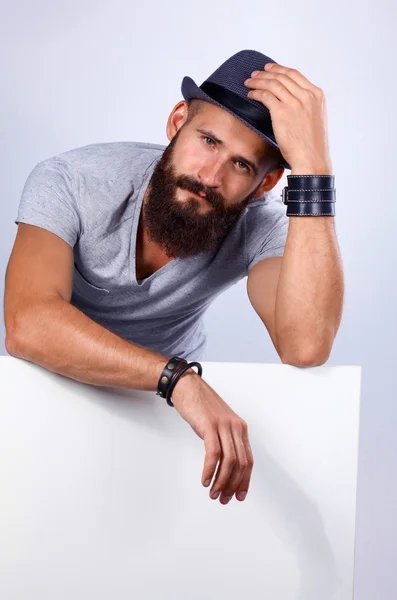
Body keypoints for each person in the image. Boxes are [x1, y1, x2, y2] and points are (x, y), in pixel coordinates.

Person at [3, 49, 343, 507]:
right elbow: (27, 324)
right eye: (207, 140)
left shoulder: (258, 224)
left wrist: (315, 170)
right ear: (177, 120)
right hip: (46, 391)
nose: (210, 175)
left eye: (242, 165)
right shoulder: (73, 180)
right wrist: (178, 379)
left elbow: (304, 345)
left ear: (265, 184)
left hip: (163, 421)